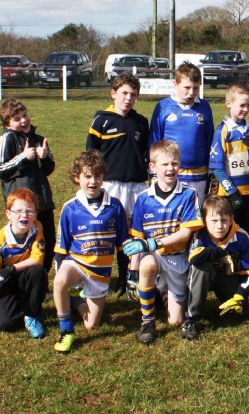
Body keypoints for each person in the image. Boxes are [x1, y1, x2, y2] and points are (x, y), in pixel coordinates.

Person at [123, 140, 204, 344]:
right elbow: (138, 240)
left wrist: (152, 243)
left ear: (180, 165)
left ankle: (163, 290)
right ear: (153, 167)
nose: (170, 168)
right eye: (165, 164)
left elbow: (185, 234)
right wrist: (132, 273)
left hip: (178, 259)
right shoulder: (143, 198)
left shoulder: (189, 194)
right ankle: (147, 322)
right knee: (147, 264)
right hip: (156, 257)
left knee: (175, 322)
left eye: (175, 163)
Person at [52, 150, 129, 352]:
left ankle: (75, 300)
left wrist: (123, 274)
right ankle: (66, 330)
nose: (93, 181)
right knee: (59, 282)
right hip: (76, 264)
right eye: (87, 176)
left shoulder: (115, 206)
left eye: (97, 176)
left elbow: (122, 245)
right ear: (77, 177)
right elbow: (61, 247)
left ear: (103, 177)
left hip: (100, 273)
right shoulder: (70, 208)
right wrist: (60, 274)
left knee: (91, 325)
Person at [86, 73, 149, 295]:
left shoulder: (141, 122)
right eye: (124, 93)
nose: (128, 98)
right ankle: (98, 275)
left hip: (136, 185)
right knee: (106, 230)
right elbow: (91, 155)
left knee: (131, 233)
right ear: (113, 93)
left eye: (133, 94)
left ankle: (126, 276)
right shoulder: (101, 120)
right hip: (110, 184)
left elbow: (145, 154)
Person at [181, 196, 249, 340]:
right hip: (204, 278)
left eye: (224, 220)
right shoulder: (200, 234)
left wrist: (240, 294)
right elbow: (194, 258)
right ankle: (191, 319)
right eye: (214, 221)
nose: (219, 225)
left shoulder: (241, 236)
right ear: (204, 220)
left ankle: (233, 304)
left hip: (229, 280)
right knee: (200, 266)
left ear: (231, 219)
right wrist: (220, 251)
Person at [0, 98, 55, 275]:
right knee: (23, 243)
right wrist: (22, 157)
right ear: (7, 123)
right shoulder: (7, 138)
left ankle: (41, 278)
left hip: (42, 202)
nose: (23, 120)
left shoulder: (38, 139)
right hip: (22, 205)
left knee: (48, 242)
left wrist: (45, 156)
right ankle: (19, 279)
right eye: (17, 118)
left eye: (25, 115)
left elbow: (50, 168)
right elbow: (0, 168)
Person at [0, 188, 48, 338]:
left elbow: (37, 260)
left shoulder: (37, 228)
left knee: (37, 271)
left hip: (25, 275)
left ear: (36, 214)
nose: (24, 215)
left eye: (29, 211)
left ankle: (32, 314)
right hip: (6, 282)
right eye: (18, 211)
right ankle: (21, 303)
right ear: (8, 214)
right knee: (4, 324)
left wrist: (11, 268)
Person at [149, 62, 214, 205]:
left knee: (196, 214)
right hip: (170, 173)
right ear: (175, 84)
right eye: (187, 87)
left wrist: (212, 170)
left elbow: (210, 140)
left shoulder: (204, 106)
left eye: (196, 88)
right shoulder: (162, 107)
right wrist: (153, 173)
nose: (191, 92)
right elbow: (154, 142)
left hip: (199, 174)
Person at [209, 82, 249, 243]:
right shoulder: (222, 131)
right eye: (242, 105)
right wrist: (232, 192)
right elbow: (217, 167)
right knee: (230, 230)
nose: (246, 109)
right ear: (228, 103)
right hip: (230, 193)